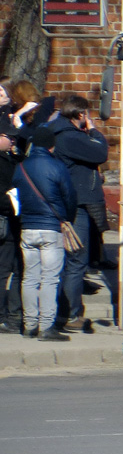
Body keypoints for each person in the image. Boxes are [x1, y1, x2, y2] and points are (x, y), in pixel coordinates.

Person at [48, 95, 111, 333]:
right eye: (87, 115)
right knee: (76, 261)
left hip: (69, 203)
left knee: (71, 261)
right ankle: (70, 314)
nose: (90, 119)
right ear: (80, 115)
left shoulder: (59, 133)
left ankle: (66, 312)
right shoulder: (70, 137)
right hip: (76, 206)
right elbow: (100, 153)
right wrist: (93, 132)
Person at [13, 126, 77, 341]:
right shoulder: (58, 167)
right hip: (50, 229)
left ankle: (29, 325)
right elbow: (69, 197)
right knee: (49, 278)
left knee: (29, 278)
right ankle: (46, 326)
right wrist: (67, 219)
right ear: (51, 146)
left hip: (27, 228)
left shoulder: (20, 167)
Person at [0, 118, 23, 334]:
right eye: (9, 137)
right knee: (4, 270)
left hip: (12, 222)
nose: (13, 140)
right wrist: (14, 201)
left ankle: (13, 314)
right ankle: (3, 315)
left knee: (15, 268)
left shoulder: (12, 159)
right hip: (5, 221)